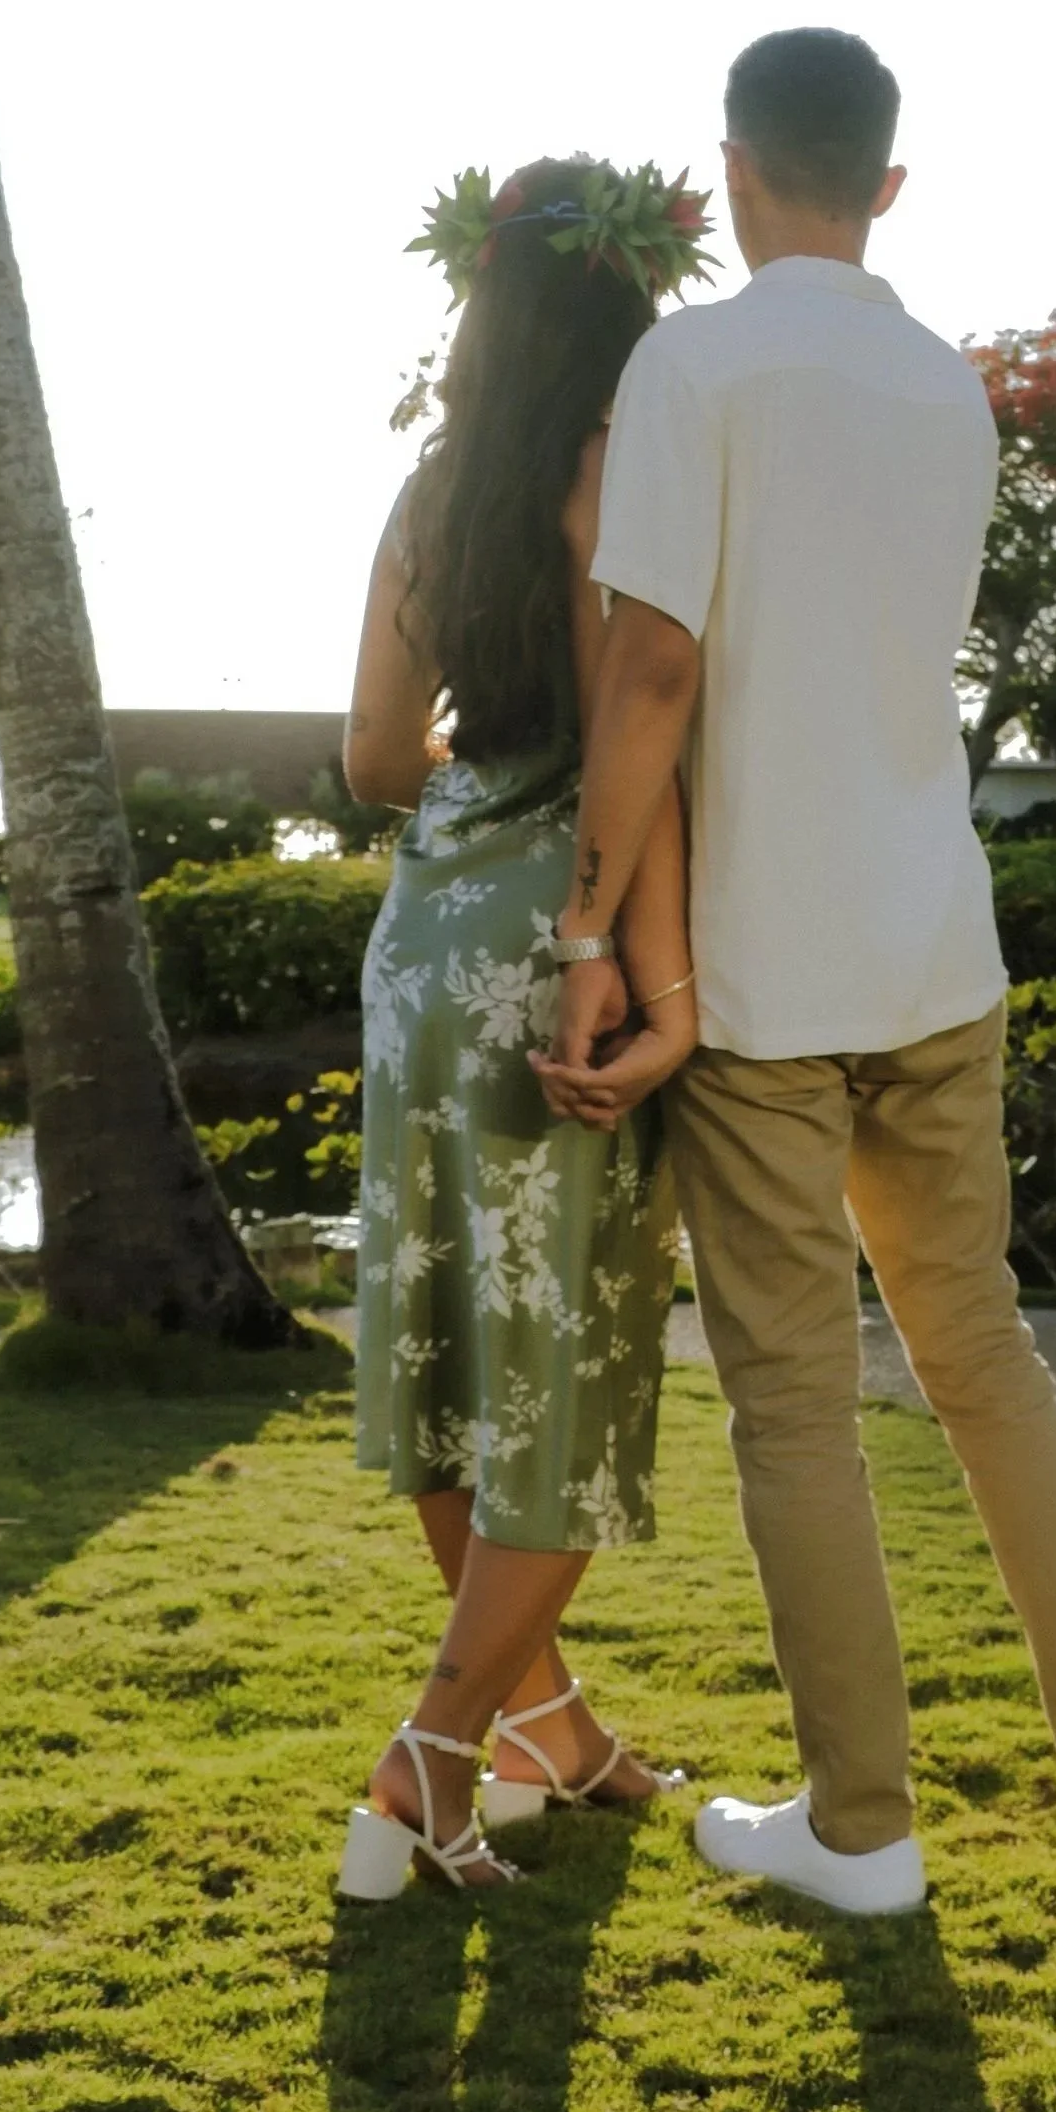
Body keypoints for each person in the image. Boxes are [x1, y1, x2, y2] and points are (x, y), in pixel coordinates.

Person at [534, 28, 1056, 1916]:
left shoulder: (695, 362)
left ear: (732, 165)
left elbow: (651, 670)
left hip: (759, 973)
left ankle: (862, 1827)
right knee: (984, 1356)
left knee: (798, 1406)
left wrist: (590, 933)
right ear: (886, 183)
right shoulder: (944, 384)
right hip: (933, 946)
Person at [333, 156, 711, 1899]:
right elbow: (640, 719)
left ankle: (553, 1733)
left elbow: (365, 764)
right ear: (621, 306)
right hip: (563, 940)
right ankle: (430, 1756)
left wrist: (469, 799)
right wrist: (622, 953)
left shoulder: (427, 492)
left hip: (420, 945)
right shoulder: (607, 469)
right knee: (558, 1379)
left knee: (442, 1363)